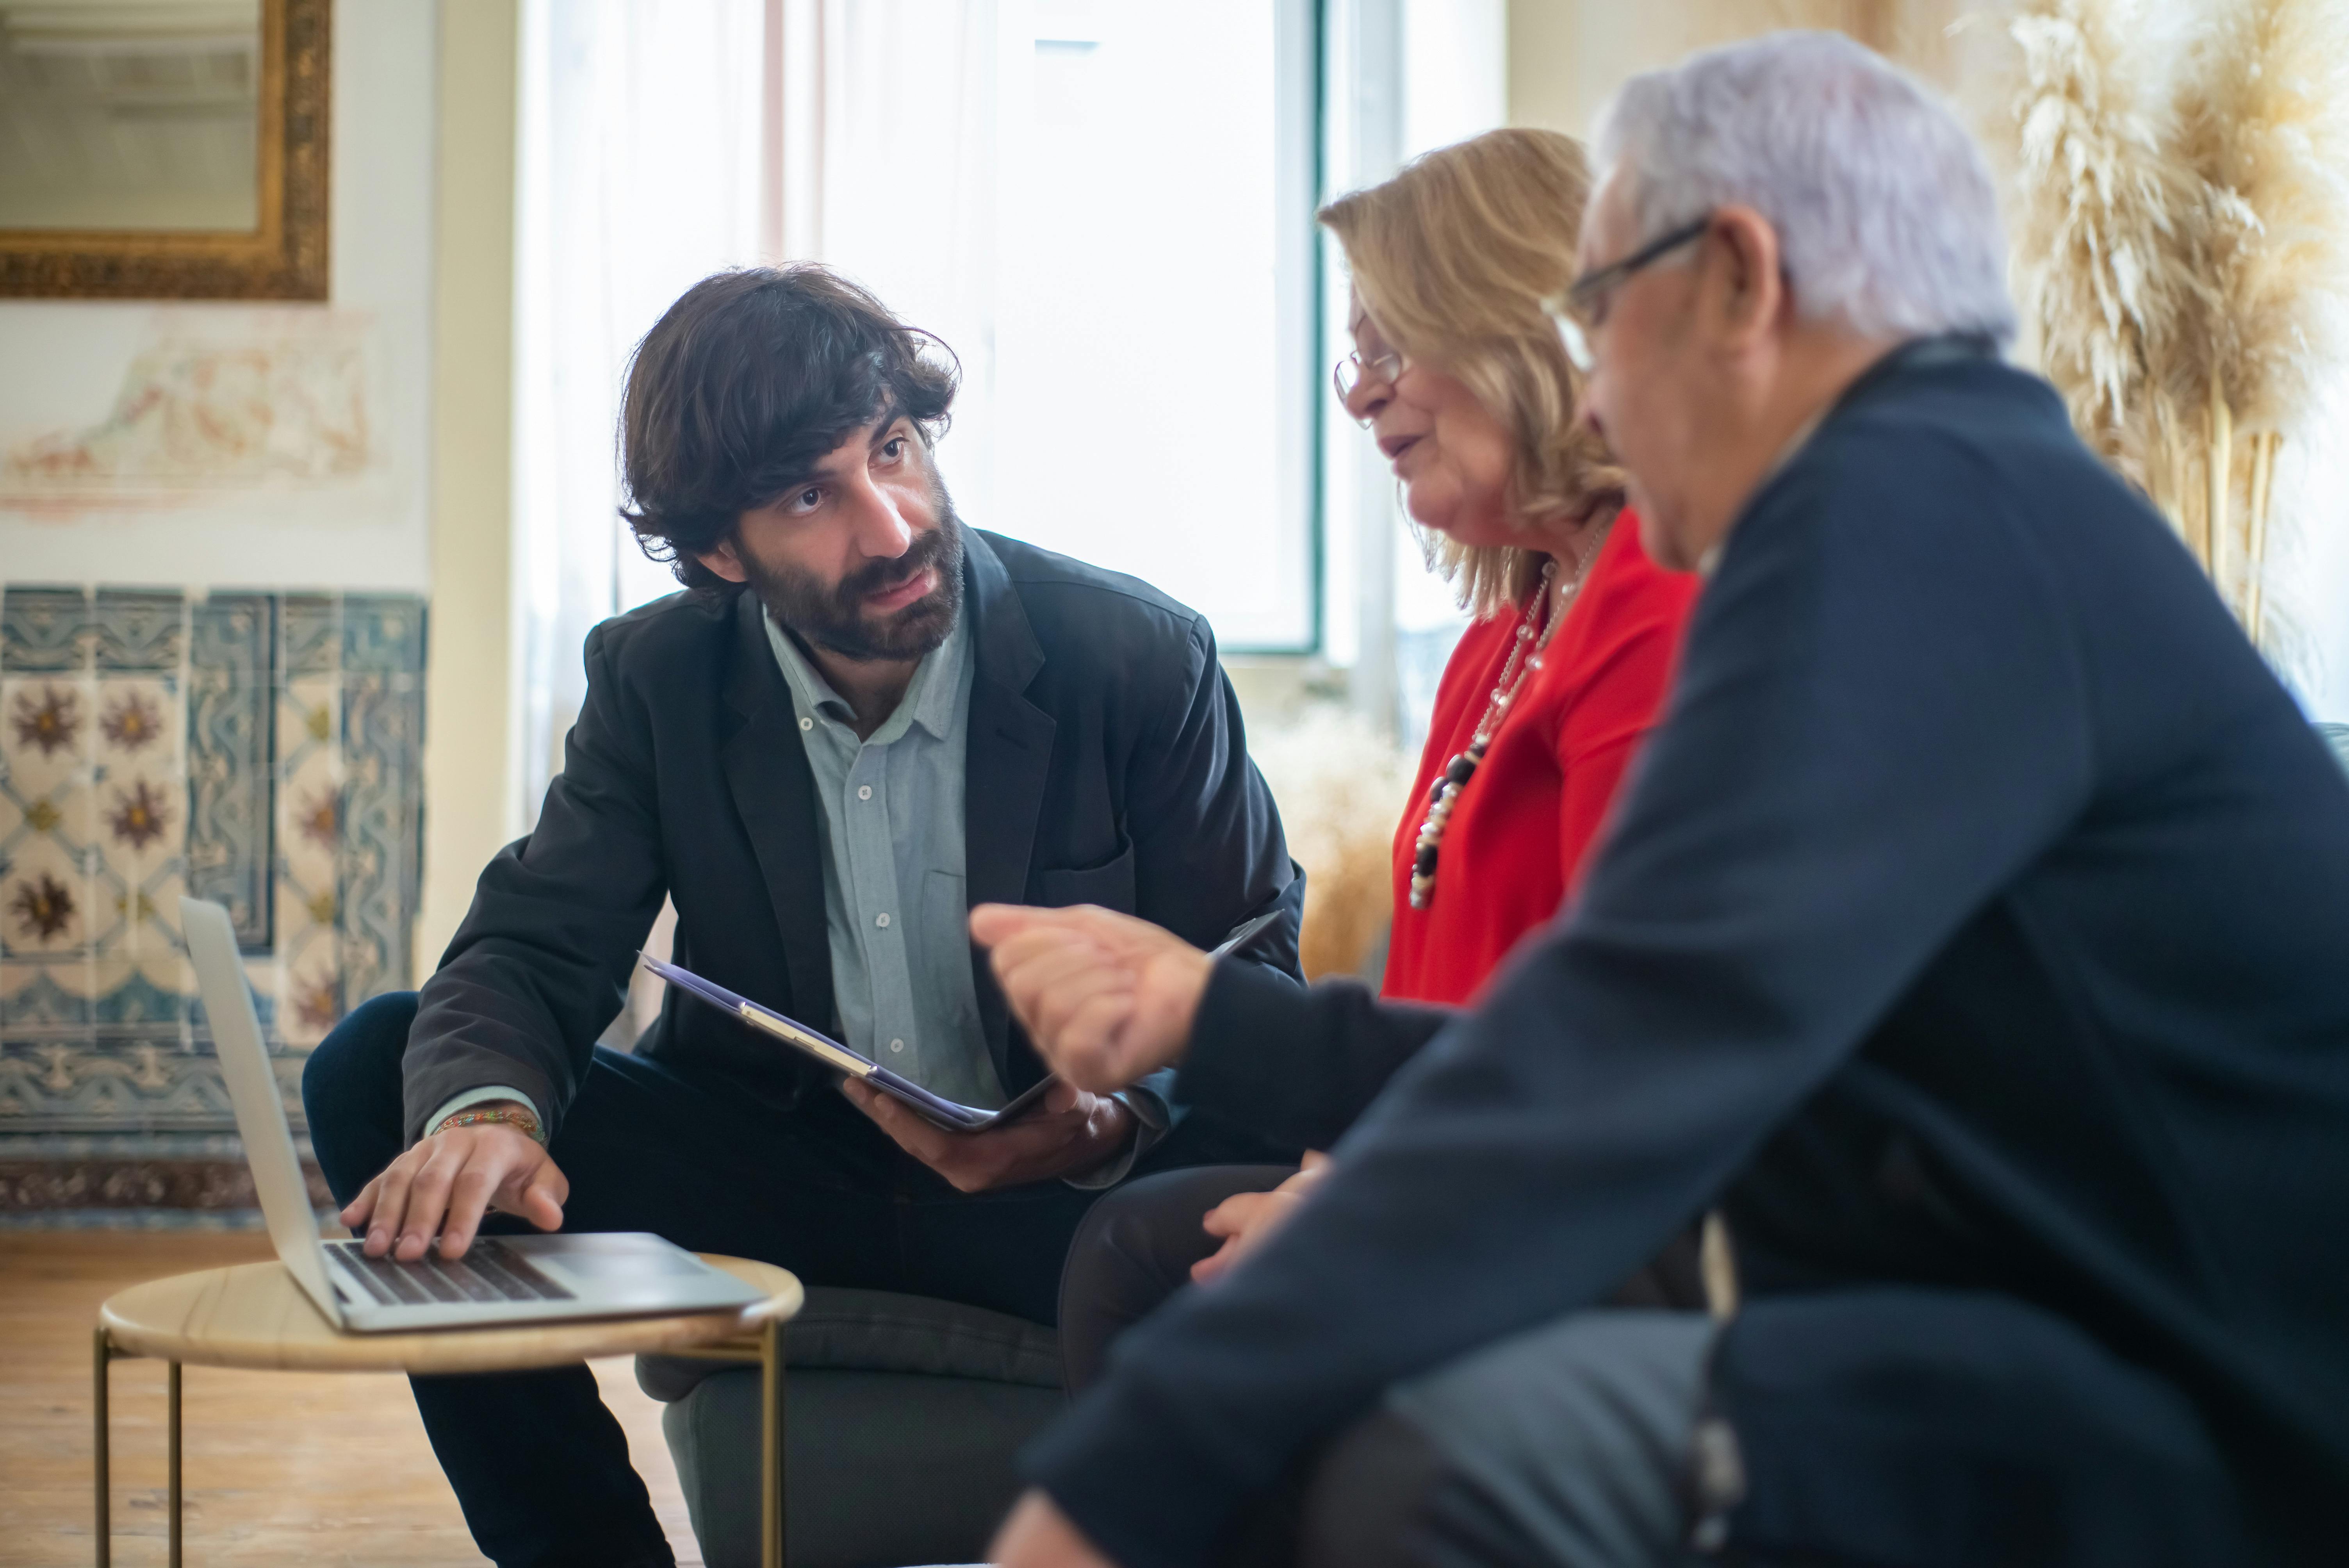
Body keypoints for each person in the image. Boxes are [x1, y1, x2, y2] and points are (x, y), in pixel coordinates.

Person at [978, 31, 2349, 1568]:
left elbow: (1624, 1038)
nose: (1597, 392)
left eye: (1597, 312)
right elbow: (1624, 1021)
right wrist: (1222, 1024)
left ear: (1738, 280)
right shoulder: (1967, 495)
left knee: (1440, 1469)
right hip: (2078, 1343)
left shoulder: (1897, 521)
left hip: (2203, 1416)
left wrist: (1120, 1476)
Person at [299, 265, 1306, 1568]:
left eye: (893, 450)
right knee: (385, 1070)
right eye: (810, 496)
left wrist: (1112, 1111)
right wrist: (488, 1115)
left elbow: (1254, 958)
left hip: (1072, 1193)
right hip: (786, 1168)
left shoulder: (1135, 655)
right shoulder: (658, 676)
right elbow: (535, 943)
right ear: (720, 551)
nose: (890, 526)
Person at [1052, 128, 1702, 1392]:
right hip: (1470, 1153)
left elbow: (1624, 1041)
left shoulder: (1660, 607)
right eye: (1357, 355)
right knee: (1143, 1250)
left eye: (1391, 345)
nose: (1358, 395)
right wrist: (1340, 1171)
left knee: (1141, 1258)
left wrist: (1363, 1204)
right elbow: (1432, 1002)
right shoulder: (1496, 648)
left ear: (1524, 329)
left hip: (1592, 1202)